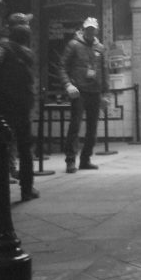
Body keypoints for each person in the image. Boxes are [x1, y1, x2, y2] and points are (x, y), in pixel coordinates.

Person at [59, 17, 109, 174]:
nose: (90, 31)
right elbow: (62, 67)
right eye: (88, 28)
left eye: (93, 29)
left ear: (97, 30)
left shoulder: (100, 47)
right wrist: (68, 84)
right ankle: (70, 160)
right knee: (75, 126)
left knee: (92, 128)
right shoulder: (73, 45)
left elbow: (104, 71)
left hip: (95, 92)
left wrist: (105, 93)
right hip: (79, 91)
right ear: (83, 29)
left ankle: (85, 159)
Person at [0, 13, 39, 202]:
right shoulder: (28, 53)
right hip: (23, 105)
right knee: (25, 147)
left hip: (5, 104)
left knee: (2, 145)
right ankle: (27, 189)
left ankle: (0, 187)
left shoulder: (3, 49)